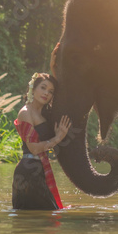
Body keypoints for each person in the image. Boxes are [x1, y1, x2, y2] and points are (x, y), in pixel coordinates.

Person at [12, 70, 72, 210]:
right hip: (27, 171)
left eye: (51, 91)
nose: (46, 93)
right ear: (33, 89)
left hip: (41, 170)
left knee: (49, 214)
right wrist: (57, 138)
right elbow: (34, 148)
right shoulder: (25, 113)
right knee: (34, 217)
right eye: (43, 88)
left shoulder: (46, 114)